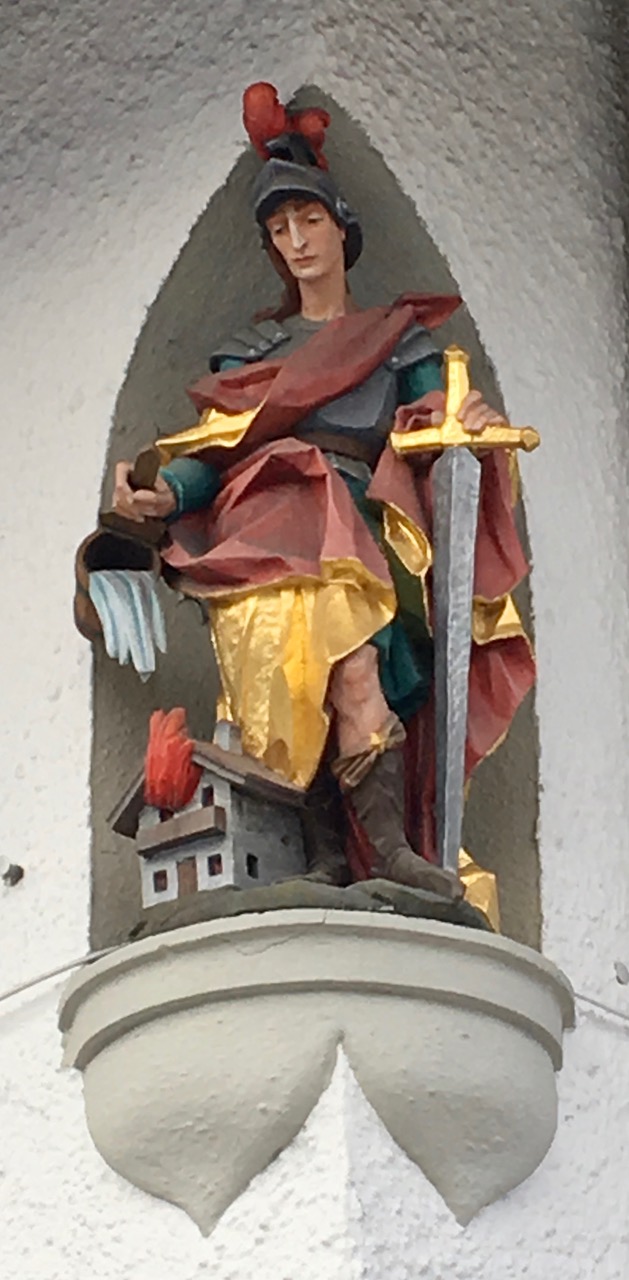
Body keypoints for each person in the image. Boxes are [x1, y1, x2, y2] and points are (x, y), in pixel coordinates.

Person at [110, 83, 535, 901]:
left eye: (309, 221)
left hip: (355, 526)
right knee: (295, 676)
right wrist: (167, 495)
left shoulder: (397, 342)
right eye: (280, 230)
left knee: (354, 670)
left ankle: (379, 853)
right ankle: (325, 854)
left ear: (342, 228)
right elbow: (217, 449)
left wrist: (469, 426)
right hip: (266, 521)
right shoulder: (253, 350)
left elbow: (436, 426)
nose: (297, 242)